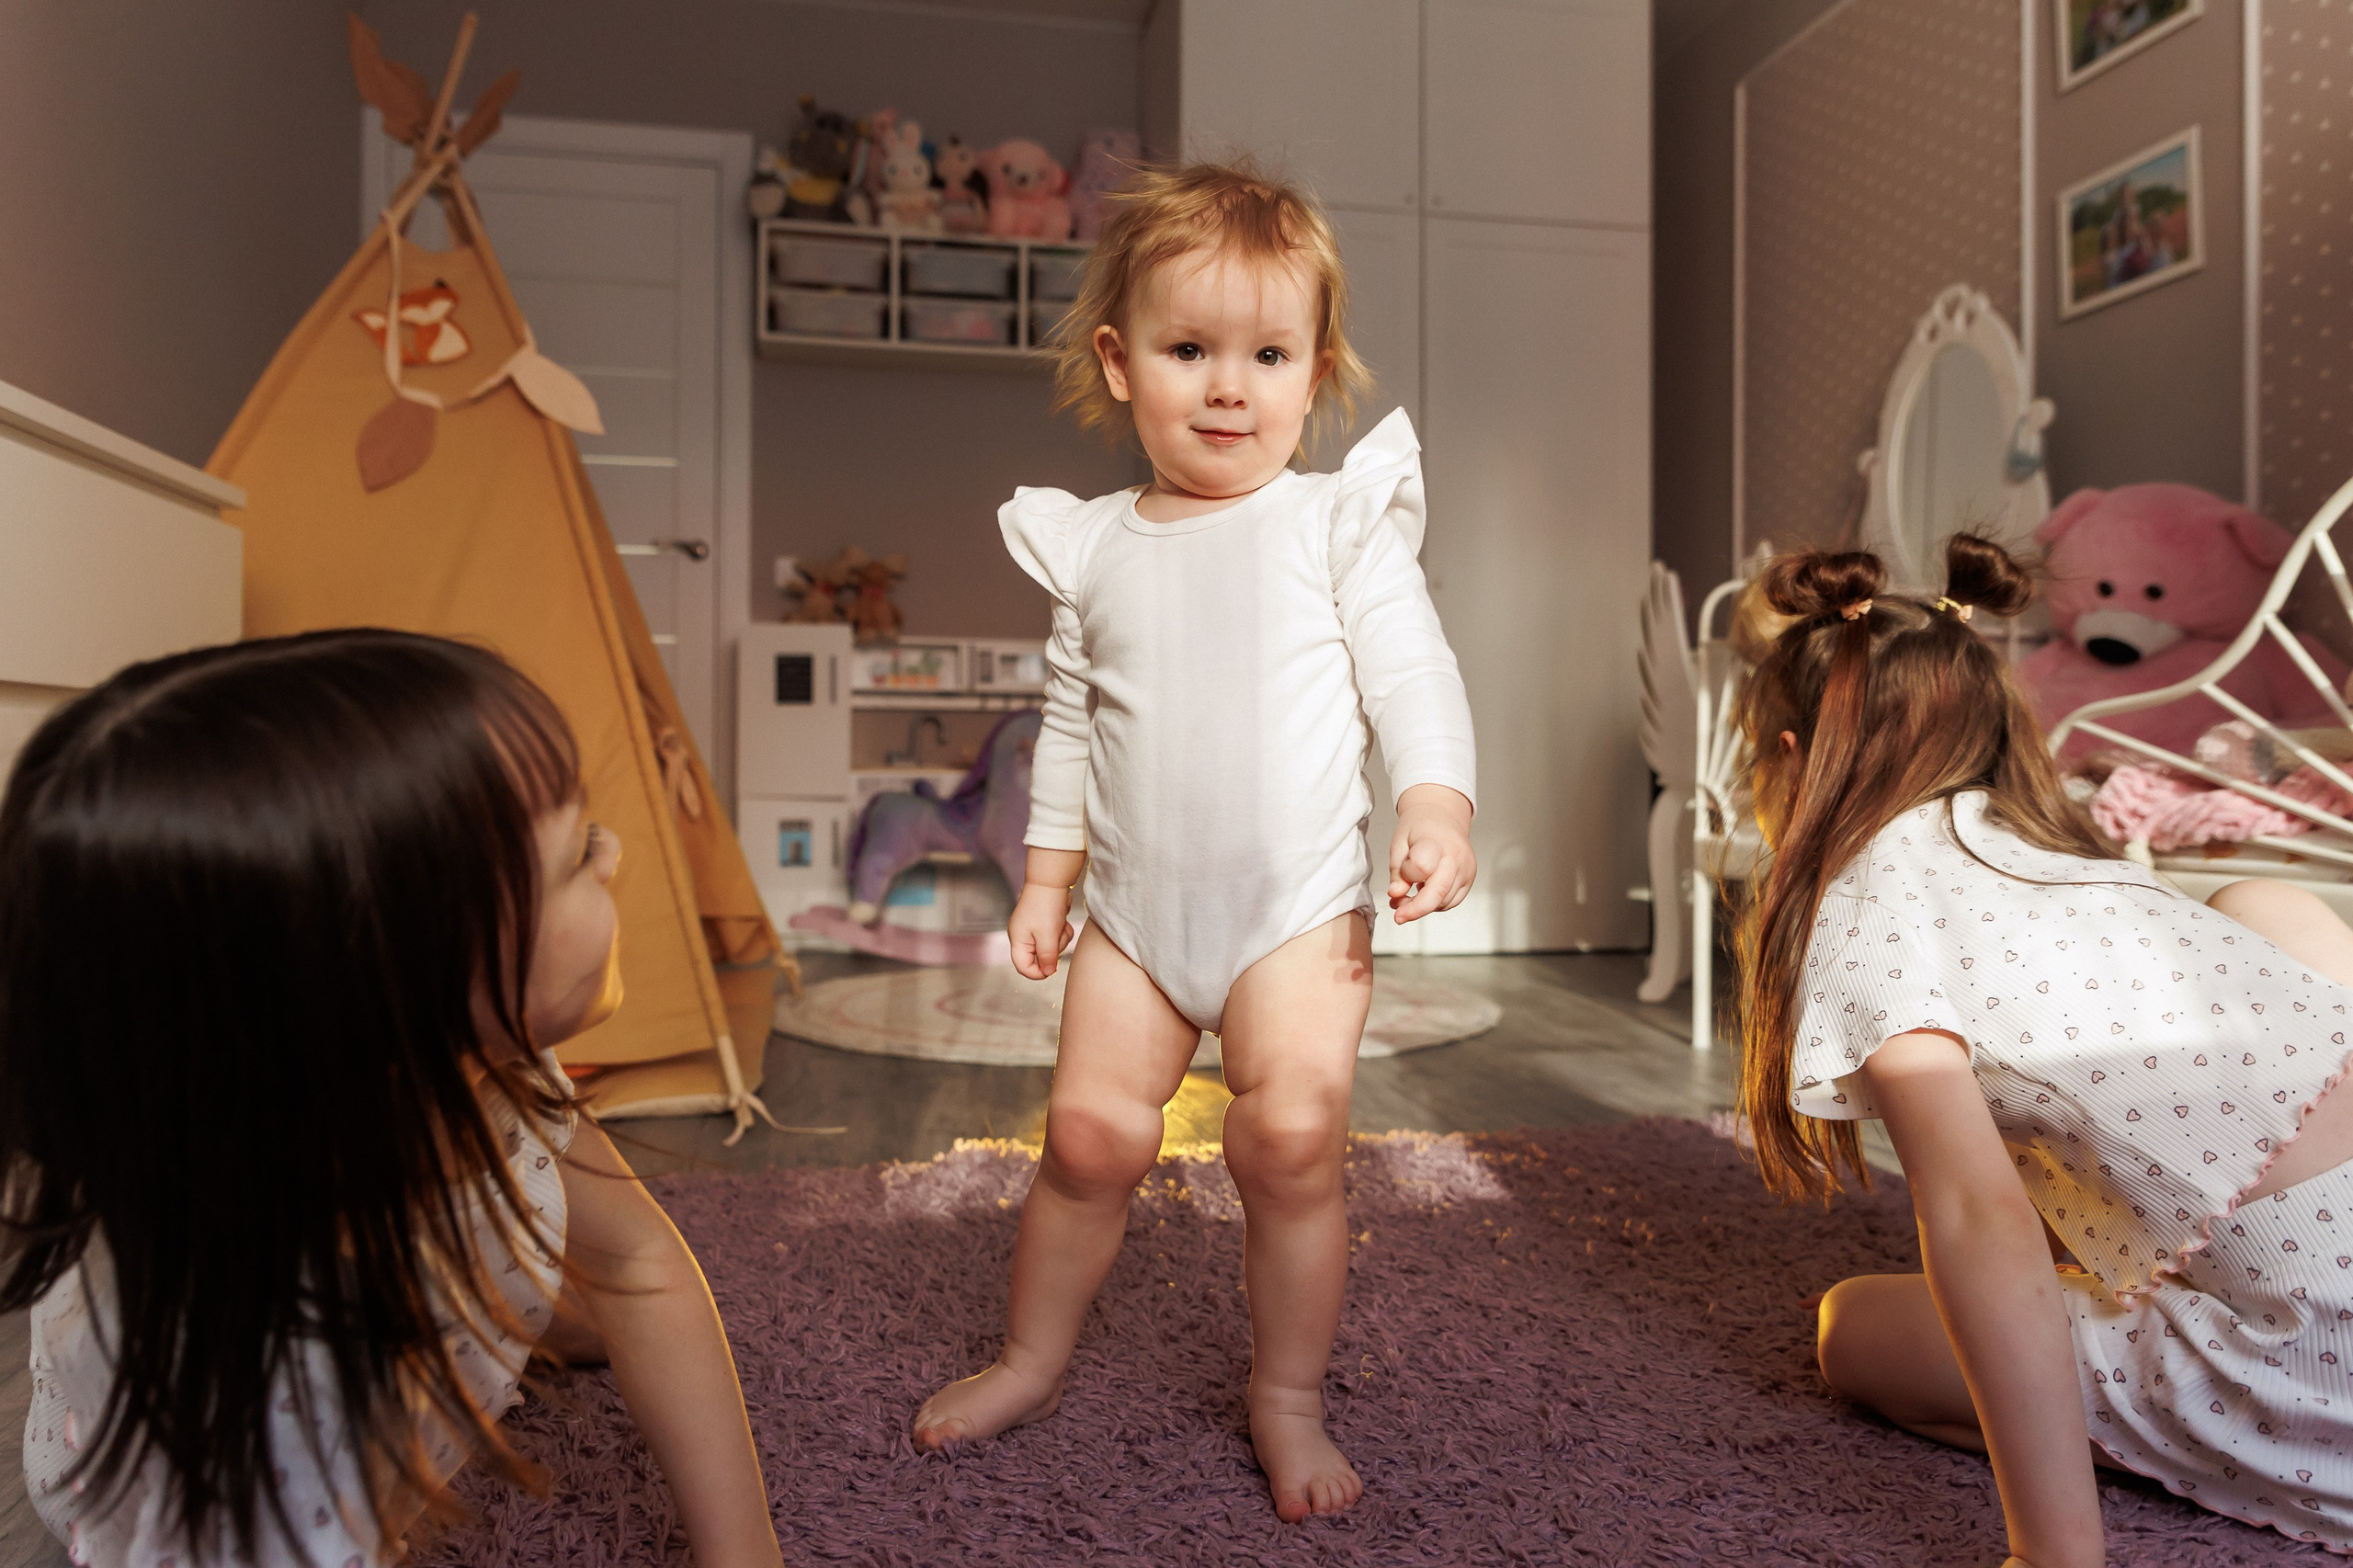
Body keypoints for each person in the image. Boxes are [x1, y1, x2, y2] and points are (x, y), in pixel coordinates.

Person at [910, 162, 1478, 1522]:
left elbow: (1412, 672)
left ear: (1314, 368)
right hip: (1135, 919)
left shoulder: (1334, 524)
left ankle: (1286, 1395)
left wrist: (1437, 796)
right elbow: (1068, 721)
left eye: (1267, 355)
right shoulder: (1095, 547)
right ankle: (1031, 1355)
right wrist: (1048, 874)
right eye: (1189, 350)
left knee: (1289, 1141)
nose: (1230, 388)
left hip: (1295, 913)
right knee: (1090, 1138)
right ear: (1120, 363)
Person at [0, 631, 783, 1568]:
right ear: (399, 978)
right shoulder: (281, 1379)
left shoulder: (474, 1062)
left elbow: (637, 1262)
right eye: (579, 853)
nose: (613, 858)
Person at [1737, 536, 2353, 1562]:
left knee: (1852, 1328)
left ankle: (2206, 1425)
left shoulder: (1865, 905)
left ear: (1794, 759)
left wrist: (2049, 1550)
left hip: (2320, 1341)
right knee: (2265, 902)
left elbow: (1979, 1213)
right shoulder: (2054, 854)